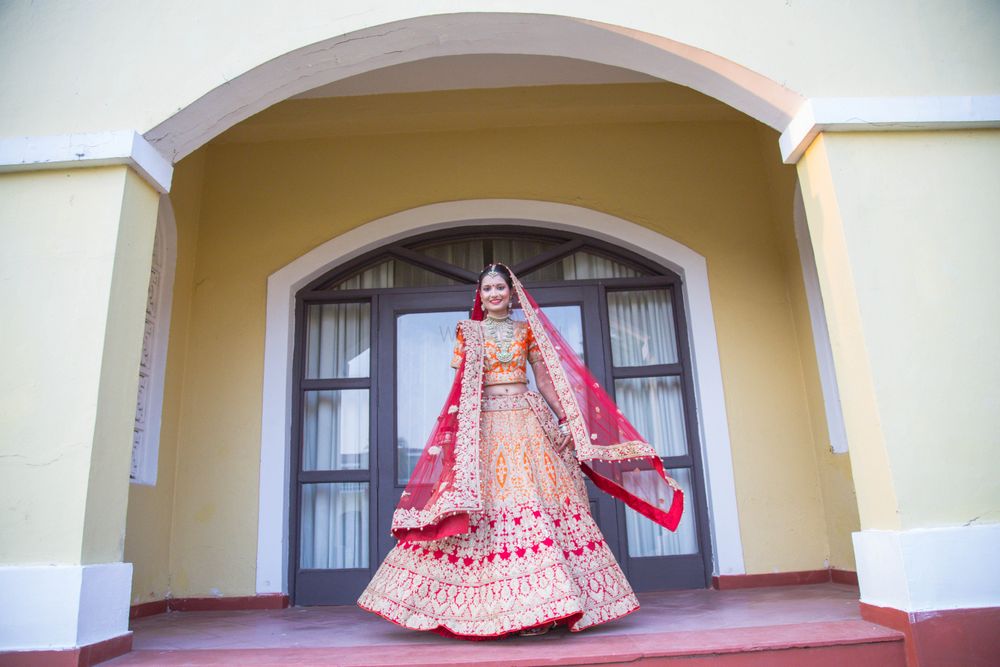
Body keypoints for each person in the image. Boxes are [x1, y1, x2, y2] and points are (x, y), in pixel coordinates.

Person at [357, 263, 683, 639]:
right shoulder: (469, 332)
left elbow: (544, 379)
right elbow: (462, 386)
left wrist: (565, 421)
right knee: (490, 511)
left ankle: (546, 607)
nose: (493, 294)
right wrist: (457, 437)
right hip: (486, 426)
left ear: (511, 293)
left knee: (540, 504)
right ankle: (493, 608)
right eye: (487, 289)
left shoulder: (526, 331)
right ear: (479, 296)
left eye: (499, 288)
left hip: (528, 420)